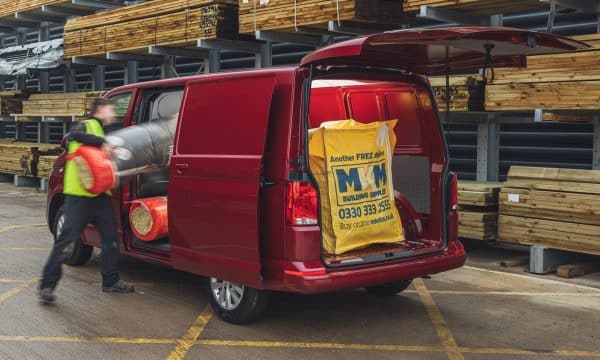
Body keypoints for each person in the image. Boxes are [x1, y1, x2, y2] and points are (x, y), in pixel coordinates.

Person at [39, 98, 134, 305]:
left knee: (110, 240)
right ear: (100, 109)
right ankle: (47, 286)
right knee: (66, 242)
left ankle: (110, 281)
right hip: (79, 198)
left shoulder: (103, 132)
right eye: (110, 109)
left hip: (101, 197)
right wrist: (102, 143)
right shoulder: (85, 126)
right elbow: (73, 135)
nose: (113, 114)